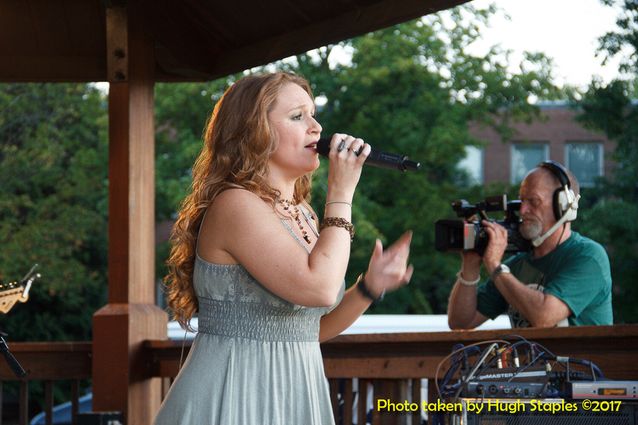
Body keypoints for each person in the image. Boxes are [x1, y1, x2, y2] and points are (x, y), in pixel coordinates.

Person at [153, 72, 413, 425]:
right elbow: (319, 288)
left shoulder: (302, 214)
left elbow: (308, 331)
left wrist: (369, 288)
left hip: (295, 392)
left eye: (314, 114)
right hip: (233, 394)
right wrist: (340, 194)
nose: (317, 128)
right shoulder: (236, 204)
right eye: (298, 116)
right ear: (253, 132)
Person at [447, 161, 612, 329]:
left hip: (577, 356)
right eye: (521, 201)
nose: (523, 209)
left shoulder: (588, 256)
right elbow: (460, 322)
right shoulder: (516, 266)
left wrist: (495, 266)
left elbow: (544, 317)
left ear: (563, 206)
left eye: (534, 201)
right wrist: (470, 265)